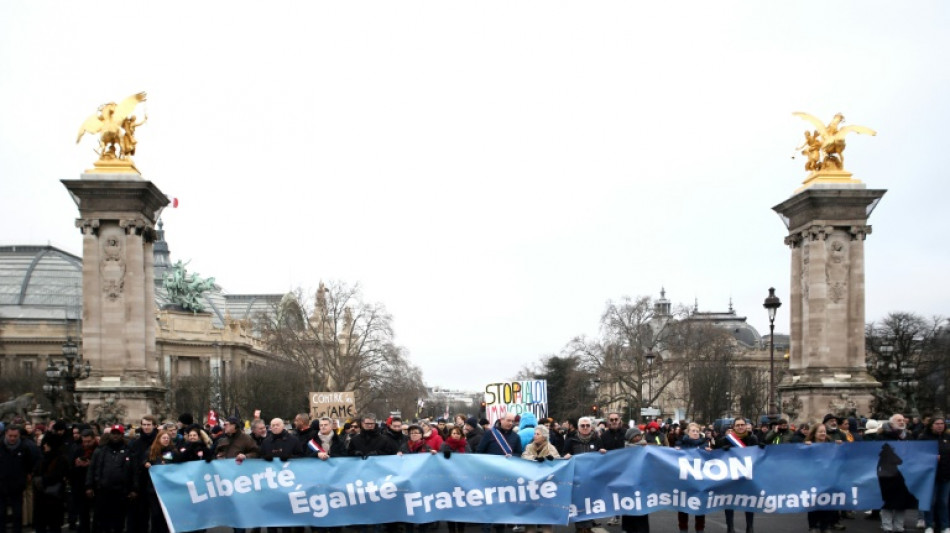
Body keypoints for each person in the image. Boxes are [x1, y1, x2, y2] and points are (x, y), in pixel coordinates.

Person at [86, 425, 137, 533]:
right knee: (103, 522)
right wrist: (89, 485)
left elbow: (134, 471)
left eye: (118, 433)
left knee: (119, 522)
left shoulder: (129, 451)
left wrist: (134, 488)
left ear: (122, 435)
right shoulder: (100, 450)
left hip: (121, 492)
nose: (115, 436)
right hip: (103, 490)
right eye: (113, 433)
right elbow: (92, 468)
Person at [716, 418, 758, 533]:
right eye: (738, 425)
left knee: (749, 501)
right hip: (731, 474)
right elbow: (717, 457)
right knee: (729, 501)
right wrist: (722, 450)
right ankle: (730, 527)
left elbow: (757, 455)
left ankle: (750, 526)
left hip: (747, 474)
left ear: (746, 426)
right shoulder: (726, 440)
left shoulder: (752, 438)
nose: (740, 427)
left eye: (742, 425)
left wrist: (762, 448)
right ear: (734, 427)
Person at [675, 423, 711, 533]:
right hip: (685, 480)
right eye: (693, 431)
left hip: (699, 481)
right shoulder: (681, 444)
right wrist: (675, 452)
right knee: (683, 506)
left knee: (700, 506)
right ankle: (683, 529)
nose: (695, 433)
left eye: (697, 431)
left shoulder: (704, 445)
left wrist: (710, 453)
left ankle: (700, 529)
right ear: (688, 432)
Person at [805, 424, 841, 533]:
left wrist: (840, 446)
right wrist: (805, 447)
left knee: (827, 503)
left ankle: (826, 526)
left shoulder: (831, 445)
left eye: (824, 431)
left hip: (828, 479)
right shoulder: (808, 446)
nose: (823, 434)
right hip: (813, 479)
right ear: (814, 434)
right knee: (814, 503)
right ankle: (813, 525)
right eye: (820, 431)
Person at [917, 416, 950, 533]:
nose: (940, 425)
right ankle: (929, 525)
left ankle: (945, 526)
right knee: (930, 501)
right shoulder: (924, 438)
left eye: (942, 423)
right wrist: (931, 458)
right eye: (937, 423)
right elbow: (917, 455)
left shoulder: (947, 437)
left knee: (943, 502)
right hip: (930, 476)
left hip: (945, 474)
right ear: (931, 425)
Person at [142, 431, 176, 533]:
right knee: (156, 514)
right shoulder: (151, 451)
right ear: (159, 439)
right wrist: (146, 463)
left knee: (165, 515)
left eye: (167, 438)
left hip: (167, 489)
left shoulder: (172, 452)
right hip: (154, 489)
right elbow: (143, 461)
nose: (166, 440)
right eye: (164, 438)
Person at [68, 429, 96, 533]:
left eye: (89, 441)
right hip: (80, 486)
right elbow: (70, 468)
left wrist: (90, 464)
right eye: (84, 441)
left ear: (93, 439)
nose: (86, 444)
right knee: (83, 513)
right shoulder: (78, 450)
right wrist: (77, 465)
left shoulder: (99, 450)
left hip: (95, 486)